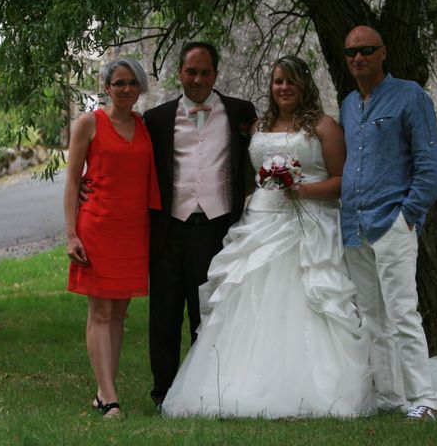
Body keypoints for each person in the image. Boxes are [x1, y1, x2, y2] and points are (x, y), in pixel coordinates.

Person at [161, 55, 377, 418]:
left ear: (304, 85)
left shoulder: (324, 127)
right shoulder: (260, 124)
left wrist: (302, 190)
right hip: (261, 220)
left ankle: (316, 386)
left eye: (291, 81)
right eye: (278, 81)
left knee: (305, 301)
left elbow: (343, 183)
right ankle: (240, 384)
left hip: (308, 225)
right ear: (271, 87)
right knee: (250, 297)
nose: (284, 88)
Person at [142, 42, 258, 408]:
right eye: (191, 71)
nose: (197, 79)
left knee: (207, 312)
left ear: (216, 75)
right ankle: (163, 394)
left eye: (205, 72)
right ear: (179, 73)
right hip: (169, 228)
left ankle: (203, 391)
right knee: (164, 315)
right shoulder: (157, 118)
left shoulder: (241, 112)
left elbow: (256, 160)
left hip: (216, 226)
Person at [339, 25, 437, 420]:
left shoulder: (410, 96)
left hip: (392, 222)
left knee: (402, 313)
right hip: (355, 226)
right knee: (372, 318)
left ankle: (424, 399)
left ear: (383, 53)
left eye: (366, 50)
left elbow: (430, 162)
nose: (358, 58)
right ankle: (389, 395)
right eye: (351, 53)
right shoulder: (349, 103)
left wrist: (409, 215)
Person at [64, 58, 160, 418]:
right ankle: (109, 396)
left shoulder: (144, 125)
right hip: (98, 226)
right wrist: (70, 233)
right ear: (105, 87)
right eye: (118, 83)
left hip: (134, 228)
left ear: (140, 88)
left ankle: (104, 389)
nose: (125, 89)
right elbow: (74, 181)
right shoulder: (88, 123)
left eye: (132, 83)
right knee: (100, 309)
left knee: (120, 310)